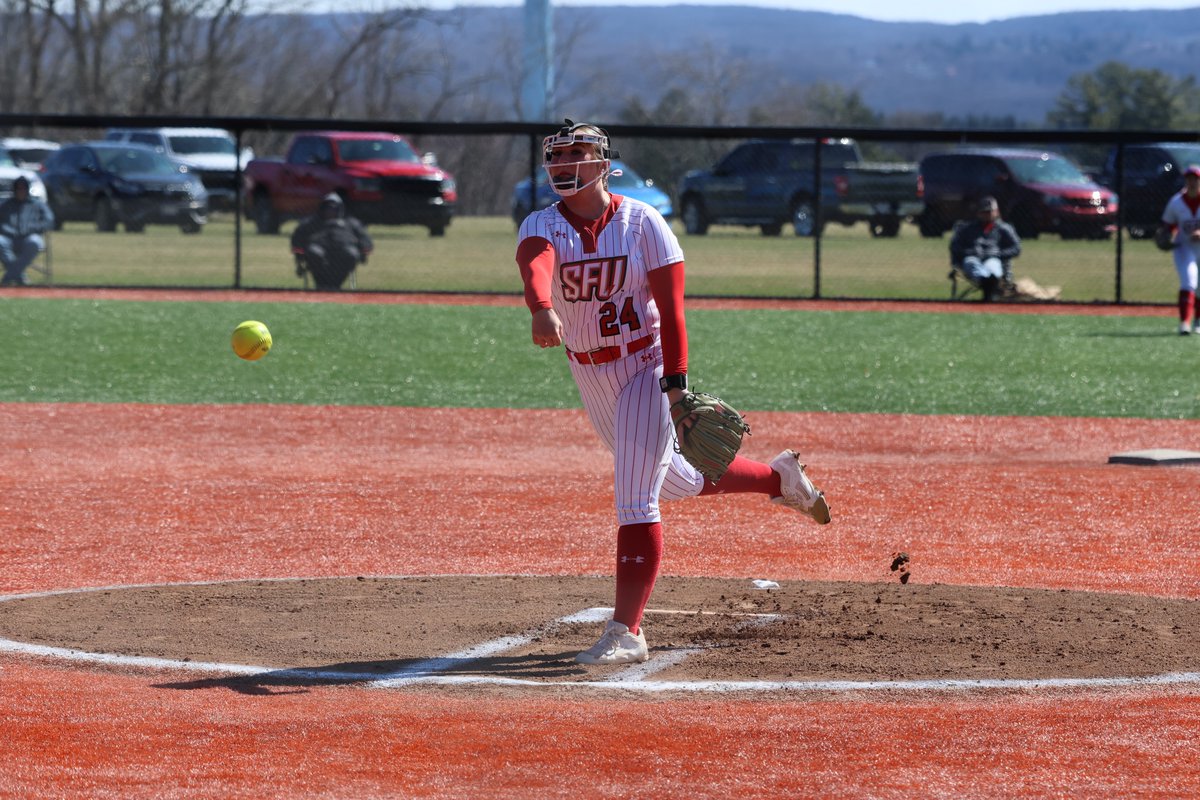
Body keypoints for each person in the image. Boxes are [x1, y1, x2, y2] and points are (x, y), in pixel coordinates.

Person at [514, 120, 832, 666]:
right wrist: (541, 307)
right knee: (676, 482)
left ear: (603, 162)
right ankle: (779, 479)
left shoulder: (642, 221)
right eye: (557, 158)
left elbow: (674, 310)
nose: (564, 166)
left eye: (577, 155)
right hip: (591, 374)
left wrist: (676, 388)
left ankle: (626, 631)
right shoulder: (542, 224)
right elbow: (536, 262)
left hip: (646, 361)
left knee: (634, 497)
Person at [290, 193, 372, 291]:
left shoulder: (350, 223)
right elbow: (297, 237)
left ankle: (335, 285)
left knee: (351, 253)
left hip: (342, 252)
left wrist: (364, 252)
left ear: (340, 209)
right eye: (328, 208)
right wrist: (299, 255)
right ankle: (321, 284)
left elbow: (365, 238)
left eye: (334, 208)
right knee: (314, 252)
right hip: (319, 250)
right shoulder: (311, 222)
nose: (330, 211)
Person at [948, 195, 1022, 302]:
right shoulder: (967, 228)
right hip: (972, 258)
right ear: (978, 213)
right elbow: (955, 247)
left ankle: (991, 282)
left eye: (989, 211)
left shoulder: (1004, 229)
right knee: (971, 263)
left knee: (992, 264)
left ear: (996, 212)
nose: (987, 214)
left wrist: (998, 253)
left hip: (994, 258)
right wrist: (967, 253)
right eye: (984, 212)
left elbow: (1016, 248)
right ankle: (986, 283)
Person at [1157, 164, 1200, 335]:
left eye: (1195, 179)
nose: (1192, 182)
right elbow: (1168, 225)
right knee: (1189, 281)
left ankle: (1198, 321)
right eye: (1189, 178)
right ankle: (1184, 323)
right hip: (1184, 247)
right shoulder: (1176, 202)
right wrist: (1165, 235)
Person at [0, 176, 54, 287]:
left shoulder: (37, 204)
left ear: (27, 189)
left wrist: (34, 228)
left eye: (23, 188)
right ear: (14, 190)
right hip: (9, 238)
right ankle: (20, 276)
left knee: (35, 242)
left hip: (29, 237)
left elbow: (49, 221)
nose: (21, 191)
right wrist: (6, 229)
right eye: (18, 189)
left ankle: (9, 276)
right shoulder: (6, 205)